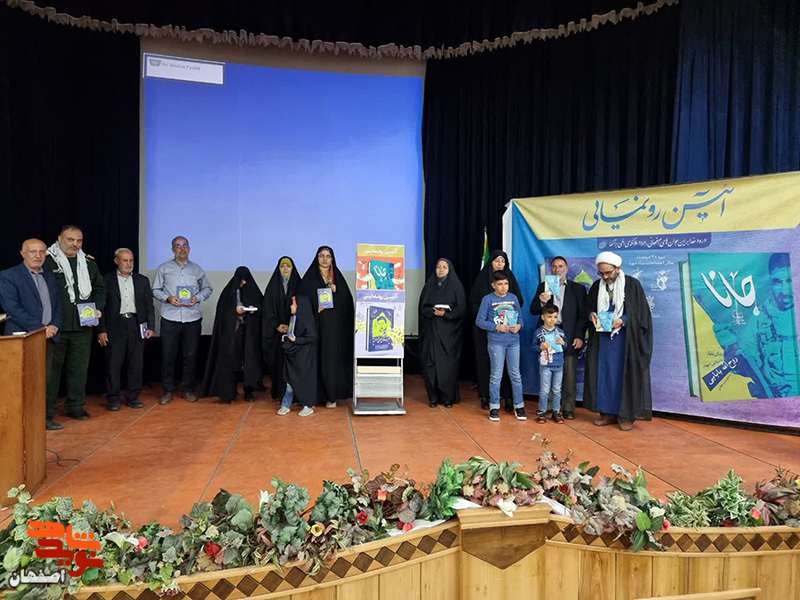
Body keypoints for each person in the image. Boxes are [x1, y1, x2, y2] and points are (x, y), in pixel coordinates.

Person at [584, 251, 653, 431]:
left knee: (623, 376)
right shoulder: (596, 286)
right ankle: (607, 414)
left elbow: (642, 314)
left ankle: (625, 416)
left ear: (618, 268)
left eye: (608, 272)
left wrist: (623, 320)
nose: (605, 277)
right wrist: (591, 314)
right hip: (602, 342)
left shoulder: (632, 285)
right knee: (604, 375)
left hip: (625, 341)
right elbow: (588, 307)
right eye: (601, 273)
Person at [43, 225, 106, 422]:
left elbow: (99, 289)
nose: (75, 244)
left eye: (79, 241)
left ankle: (76, 406)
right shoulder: (47, 261)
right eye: (70, 240)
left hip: (82, 327)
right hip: (56, 328)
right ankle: (47, 412)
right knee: (51, 373)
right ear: (59, 239)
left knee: (78, 370)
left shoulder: (88, 263)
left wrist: (98, 308)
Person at [0, 239, 63, 430]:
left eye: (42, 252)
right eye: (33, 251)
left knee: (44, 381)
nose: (38, 255)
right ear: (23, 254)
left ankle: (43, 419)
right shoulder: (9, 275)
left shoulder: (50, 276)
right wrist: (41, 328)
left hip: (48, 337)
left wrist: (54, 325)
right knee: (20, 383)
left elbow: (58, 305)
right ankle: (19, 423)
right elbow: (12, 308)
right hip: (22, 339)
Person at [152, 236, 213, 404]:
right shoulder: (164, 268)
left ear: (189, 249)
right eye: (178, 246)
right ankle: (168, 391)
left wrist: (197, 298)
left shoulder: (197, 269)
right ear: (173, 250)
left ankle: (188, 390)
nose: (182, 249)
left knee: (190, 356)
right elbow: (155, 290)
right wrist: (168, 298)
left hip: (192, 319)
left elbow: (208, 289)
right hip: (170, 318)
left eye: (185, 245)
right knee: (168, 356)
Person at [97, 248, 155, 411]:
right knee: (113, 364)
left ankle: (133, 396)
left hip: (136, 324)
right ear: (116, 261)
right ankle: (113, 398)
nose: (129, 264)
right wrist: (101, 329)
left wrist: (151, 326)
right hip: (115, 325)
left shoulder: (142, 280)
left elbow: (149, 305)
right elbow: (101, 307)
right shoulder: (106, 280)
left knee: (136, 364)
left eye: (131, 261)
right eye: (125, 260)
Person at [530, 256, 587, 419]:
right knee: (547, 373)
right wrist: (542, 302)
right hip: (548, 336)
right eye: (554, 267)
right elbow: (533, 310)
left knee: (569, 375)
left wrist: (579, 336)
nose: (557, 270)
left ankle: (568, 409)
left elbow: (583, 315)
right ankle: (548, 408)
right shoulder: (544, 286)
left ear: (566, 269)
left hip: (568, 335)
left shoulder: (578, 289)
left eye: (561, 266)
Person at [298, 246, 354, 408]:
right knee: (317, 360)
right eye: (321, 256)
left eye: (328, 256)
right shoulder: (309, 279)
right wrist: (314, 308)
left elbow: (347, 303)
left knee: (331, 360)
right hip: (315, 328)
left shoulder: (337, 278)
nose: (324, 259)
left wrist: (337, 291)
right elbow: (302, 300)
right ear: (317, 258)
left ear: (332, 259)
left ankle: (332, 396)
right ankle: (315, 395)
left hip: (334, 330)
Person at [469, 250, 524, 411]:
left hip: (508, 334)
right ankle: (487, 397)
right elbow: (473, 302)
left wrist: (515, 324)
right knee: (489, 366)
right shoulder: (482, 280)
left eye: (503, 261)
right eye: (496, 261)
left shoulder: (510, 281)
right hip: (486, 331)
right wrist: (489, 318)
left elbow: (518, 303)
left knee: (511, 369)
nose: (500, 264)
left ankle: (508, 397)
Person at [202, 266, 263, 403]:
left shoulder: (253, 291)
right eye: (241, 280)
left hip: (249, 334)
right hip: (232, 334)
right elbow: (222, 311)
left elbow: (262, 307)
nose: (243, 283)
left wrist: (253, 310)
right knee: (230, 362)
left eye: (246, 280)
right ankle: (229, 392)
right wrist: (234, 310)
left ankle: (249, 391)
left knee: (249, 362)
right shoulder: (228, 292)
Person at [418, 258, 466, 408]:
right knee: (430, 364)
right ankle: (433, 397)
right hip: (432, 332)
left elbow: (461, 310)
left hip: (449, 334)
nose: (441, 270)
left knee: (447, 366)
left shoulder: (456, 286)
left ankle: (447, 397)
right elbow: (422, 308)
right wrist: (433, 311)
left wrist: (445, 314)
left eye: (444, 267)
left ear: (449, 270)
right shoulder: (429, 285)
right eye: (438, 267)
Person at [262, 256, 301, 401]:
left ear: (292, 268)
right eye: (282, 266)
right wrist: (277, 326)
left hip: (294, 333)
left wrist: (292, 326)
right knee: (278, 364)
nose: (285, 269)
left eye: (288, 266)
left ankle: (296, 395)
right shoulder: (272, 287)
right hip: (277, 333)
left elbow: (303, 307)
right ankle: (279, 392)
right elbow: (267, 310)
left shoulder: (299, 285)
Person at [278, 295, 318, 416]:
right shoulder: (294, 319)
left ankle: (308, 405)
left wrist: (296, 340)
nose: (291, 306)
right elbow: (293, 333)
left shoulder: (307, 321)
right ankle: (285, 405)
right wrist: (287, 337)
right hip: (293, 355)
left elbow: (311, 337)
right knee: (289, 381)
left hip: (304, 356)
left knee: (303, 381)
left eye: (293, 304)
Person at [532, 305, 567, 424]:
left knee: (557, 389)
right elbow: (533, 348)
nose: (552, 320)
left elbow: (566, 346)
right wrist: (540, 347)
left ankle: (556, 411)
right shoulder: (538, 332)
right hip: (546, 365)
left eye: (555, 317)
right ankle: (542, 411)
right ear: (543, 317)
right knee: (545, 390)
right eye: (549, 317)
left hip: (559, 364)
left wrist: (563, 343)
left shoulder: (560, 332)